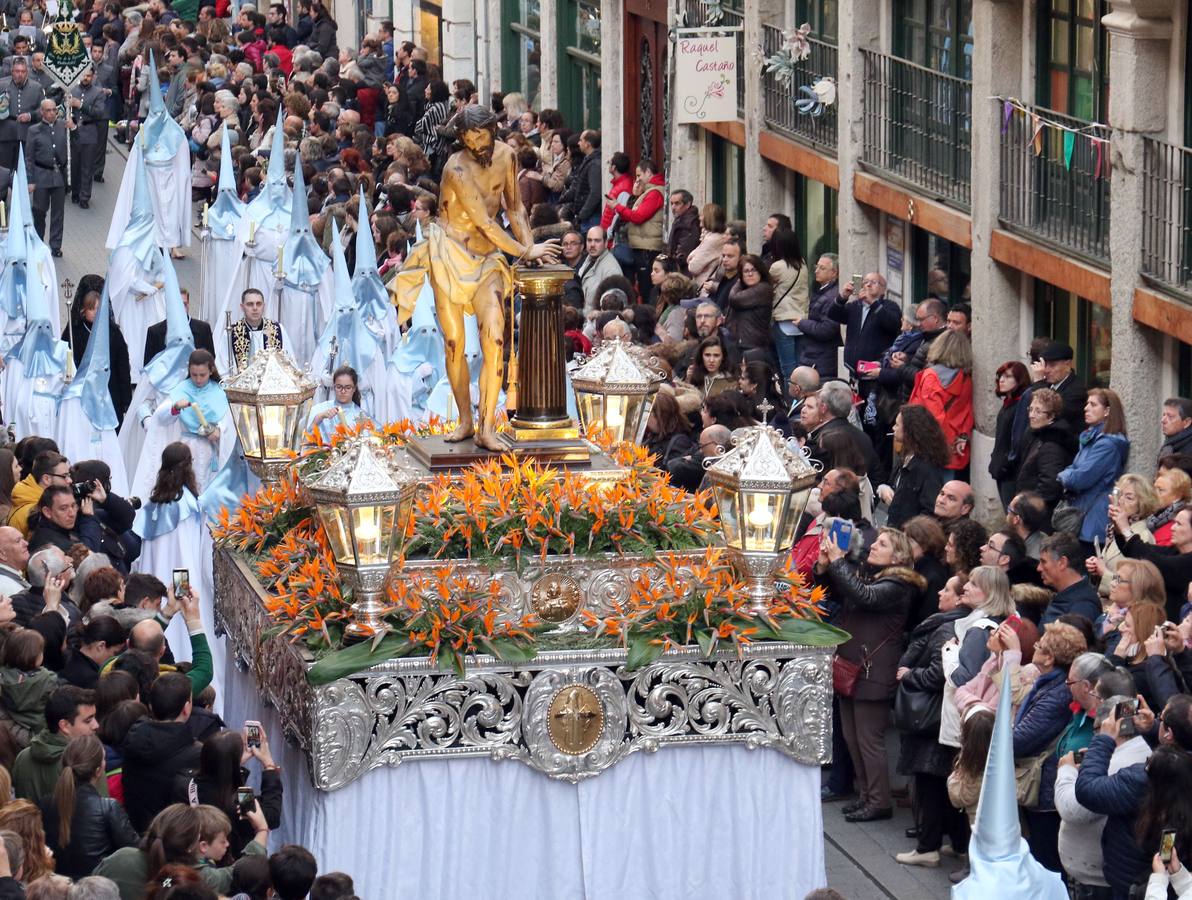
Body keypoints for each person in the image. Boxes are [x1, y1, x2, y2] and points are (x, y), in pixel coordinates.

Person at [391, 106, 560, 452]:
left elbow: (513, 209)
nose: (475, 144)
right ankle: (466, 419)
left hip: (487, 260)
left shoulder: (508, 156)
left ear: (493, 130)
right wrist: (525, 252)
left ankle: (487, 426)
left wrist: (530, 247)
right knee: (455, 344)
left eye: (480, 136)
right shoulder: (456, 168)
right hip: (450, 252)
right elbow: (484, 221)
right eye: (467, 139)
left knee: (494, 338)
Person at [817, 527, 924, 822]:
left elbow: (864, 597)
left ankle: (879, 800)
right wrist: (826, 568)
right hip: (854, 665)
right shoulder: (873, 574)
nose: (873, 546)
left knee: (868, 740)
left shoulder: (899, 584)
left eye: (882, 543)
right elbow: (843, 591)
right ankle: (866, 794)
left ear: (898, 556)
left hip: (874, 670)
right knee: (852, 738)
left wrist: (839, 562)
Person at [892, 568, 972, 868]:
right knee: (942, 779)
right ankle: (959, 843)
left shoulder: (945, 628)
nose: (940, 592)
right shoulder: (953, 623)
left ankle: (927, 848)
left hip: (932, 715)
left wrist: (912, 674)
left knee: (929, 784)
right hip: (941, 714)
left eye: (948, 590)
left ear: (961, 597)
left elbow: (939, 673)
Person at [1011, 621, 1089, 872]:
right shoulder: (1051, 684)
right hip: (1045, 786)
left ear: (1049, 658)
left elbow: (1019, 740)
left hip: (1045, 790)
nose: (1035, 647)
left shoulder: (1057, 695)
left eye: (1039, 645)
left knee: (1045, 860)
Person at [173, 727, 282, 861]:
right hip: (230, 864)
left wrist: (233, 766)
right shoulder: (242, 799)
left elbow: (219, 784)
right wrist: (269, 766)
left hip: (190, 856)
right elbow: (271, 817)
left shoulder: (181, 782)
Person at [38, 734, 137, 879]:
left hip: (58, 888)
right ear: (98, 771)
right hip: (97, 889)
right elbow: (135, 850)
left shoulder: (45, 804)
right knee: (168, 882)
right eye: (103, 760)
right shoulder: (108, 808)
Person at [1056, 388, 1130, 547]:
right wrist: (1069, 473)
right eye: (1087, 403)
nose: (1086, 408)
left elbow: (1079, 479)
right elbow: (1074, 467)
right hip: (1083, 512)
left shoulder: (1107, 444)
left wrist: (1063, 476)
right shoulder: (1093, 437)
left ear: (1107, 411)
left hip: (1093, 519)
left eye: (1093, 404)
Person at [152, 351, 233, 494]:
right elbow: (161, 417)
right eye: (194, 375)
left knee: (208, 489)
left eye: (203, 375)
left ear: (211, 371)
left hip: (211, 449)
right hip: (186, 448)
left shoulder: (220, 391)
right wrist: (175, 407)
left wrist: (219, 431)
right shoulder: (182, 389)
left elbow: (229, 420)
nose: (198, 379)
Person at [12, 685, 99, 802]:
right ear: (64, 726)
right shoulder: (85, 762)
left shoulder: (22, 758)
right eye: (88, 720)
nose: (96, 725)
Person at [908, 330, 973, 474]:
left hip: (930, 446)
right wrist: (963, 437)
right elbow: (967, 411)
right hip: (954, 445)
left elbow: (934, 415)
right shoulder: (965, 379)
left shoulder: (931, 377)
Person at [1111, 505, 1192, 620]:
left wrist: (1126, 530)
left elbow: (1157, 563)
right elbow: (1138, 552)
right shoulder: (1175, 551)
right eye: (1174, 523)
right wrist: (1119, 529)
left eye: (1179, 524)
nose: (1172, 528)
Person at [1086, 474, 1159, 599]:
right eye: (1119, 495)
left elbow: (1136, 587)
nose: (1120, 501)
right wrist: (1095, 568)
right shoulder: (1114, 530)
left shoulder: (1143, 537)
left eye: (1129, 498)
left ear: (1141, 506)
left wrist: (1104, 572)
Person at [879, 405, 949, 528]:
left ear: (909, 431)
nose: (893, 428)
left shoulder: (928, 469)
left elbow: (929, 512)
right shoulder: (905, 457)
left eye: (897, 425)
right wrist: (884, 489)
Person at [1014, 387, 1077, 514]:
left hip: (1038, 514)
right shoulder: (1037, 435)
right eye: (1030, 409)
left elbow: (1050, 486)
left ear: (1051, 416)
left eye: (1038, 411)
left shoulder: (1052, 445)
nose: (1031, 415)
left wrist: (1027, 508)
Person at [827, 272, 902, 376]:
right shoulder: (856, 306)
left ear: (883, 289)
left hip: (875, 369)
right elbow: (833, 314)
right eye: (865, 282)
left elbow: (893, 324)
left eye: (873, 282)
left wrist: (873, 302)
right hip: (853, 369)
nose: (868, 285)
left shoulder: (890, 306)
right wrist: (842, 297)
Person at [24, 98, 72, 256]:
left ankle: (56, 246)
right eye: (49, 110)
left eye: (54, 110)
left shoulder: (63, 126)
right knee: (39, 212)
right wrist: (30, 180)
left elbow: (75, 144)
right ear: (42, 112)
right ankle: (38, 242)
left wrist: (74, 128)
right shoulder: (33, 130)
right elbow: (29, 157)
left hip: (58, 176)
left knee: (58, 214)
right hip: (41, 176)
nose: (52, 113)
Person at [989, 361, 1032, 507]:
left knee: (1012, 512)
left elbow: (1018, 438)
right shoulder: (1008, 403)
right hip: (1001, 467)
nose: (1001, 380)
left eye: (1008, 376)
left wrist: (1007, 462)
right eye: (1000, 376)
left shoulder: (1020, 405)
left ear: (1019, 379)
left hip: (1011, 470)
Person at [1037, 532, 1103, 625]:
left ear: (1062, 563)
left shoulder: (1082, 607)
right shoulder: (1065, 595)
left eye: (1043, 562)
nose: (1039, 568)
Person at [143, 290, 216, 371]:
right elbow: (149, 367)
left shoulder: (203, 329)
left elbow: (211, 361)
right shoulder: (154, 332)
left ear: (188, 305)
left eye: (183, 305)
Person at [0, 58, 45, 169]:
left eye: (23, 71)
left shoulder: (36, 87)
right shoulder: (2, 85)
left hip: (27, 134)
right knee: (5, 170)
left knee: (25, 170)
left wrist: (30, 116)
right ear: (12, 71)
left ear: (27, 72)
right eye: (17, 71)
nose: (20, 74)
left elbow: (43, 111)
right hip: (6, 133)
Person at [306, 366, 371, 443]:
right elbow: (304, 432)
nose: (343, 391)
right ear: (334, 387)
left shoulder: (361, 415)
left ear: (354, 389)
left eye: (348, 387)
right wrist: (321, 416)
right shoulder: (319, 408)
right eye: (339, 387)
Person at [642, 391, 694, 471]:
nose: (646, 419)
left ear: (659, 417)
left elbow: (672, 473)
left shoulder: (679, 442)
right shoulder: (654, 436)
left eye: (648, 415)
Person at [685, 203, 727, 287]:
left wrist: (691, 259)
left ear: (709, 218)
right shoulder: (711, 237)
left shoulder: (712, 240)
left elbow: (693, 267)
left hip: (705, 286)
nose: (699, 218)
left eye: (702, 215)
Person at [1149, 467, 1191, 546]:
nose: (1154, 494)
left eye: (1160, 490)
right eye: (1154, 489)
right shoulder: (1155, 514)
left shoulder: (1178, 524)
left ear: (1178, 495)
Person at [665, 190, 700, 273]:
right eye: (671, 203)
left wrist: (670, 266)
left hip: (683, 271)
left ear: (687, 204)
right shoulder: (680, 219)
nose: (673, 207)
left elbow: (683, 253)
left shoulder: (689, 223)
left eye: (677, 203)